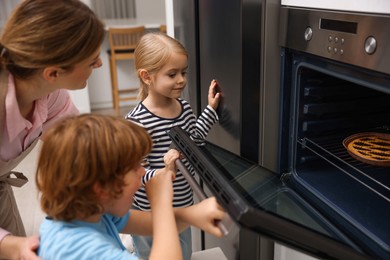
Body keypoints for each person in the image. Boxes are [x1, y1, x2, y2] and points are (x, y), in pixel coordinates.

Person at [36, 114, 225, 260]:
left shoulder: (94, 211)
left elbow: (152, 224)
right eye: (135, 167)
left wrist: (192, 215)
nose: (143, 172)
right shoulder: (78, 249)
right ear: (101, 189)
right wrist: (160, 202)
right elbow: (161, 218)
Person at [0, 0, 105, 258]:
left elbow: (76, 140)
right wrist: (10, 245)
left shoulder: (48, 94)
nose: (100, 64)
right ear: (53, 72)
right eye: (92, 61)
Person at [125, 32, 222, 260]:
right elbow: (135, 173)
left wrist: (210, 110)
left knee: (182, 254)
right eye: (172, 74)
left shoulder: (184, 108)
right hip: (149, 212)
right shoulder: (137, 122)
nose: (181, 79)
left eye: (183, 72)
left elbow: (195, 140)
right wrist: (165, 172)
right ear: (147, 77)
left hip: (181, 205)